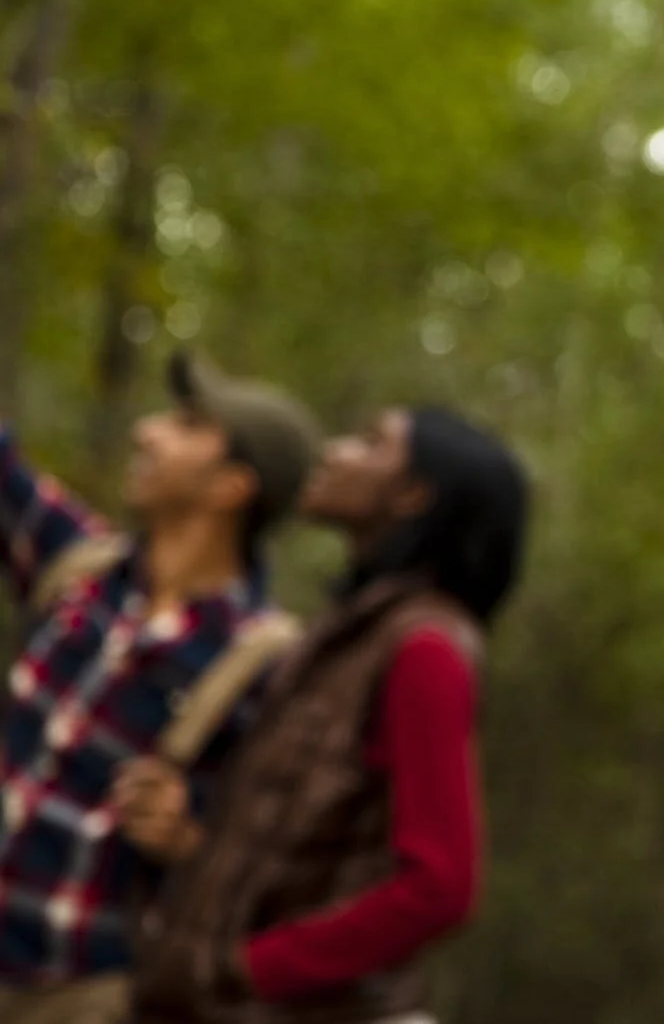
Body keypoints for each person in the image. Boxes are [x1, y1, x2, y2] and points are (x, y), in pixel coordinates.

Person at [112, 406, 528, 1024]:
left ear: (414, 495)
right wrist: (193, 847)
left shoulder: (427, 649)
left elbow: (442, 887)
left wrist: (254, 967)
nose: (334, 452)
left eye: (369, 444)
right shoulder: (351, 634)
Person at [0, 351, 318, 1024]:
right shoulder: (81, 569)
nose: (148, 431)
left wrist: (189, 842)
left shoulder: (268, 665)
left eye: (186, 425)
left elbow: (281, 869)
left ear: (233, 485)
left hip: (81, 997)